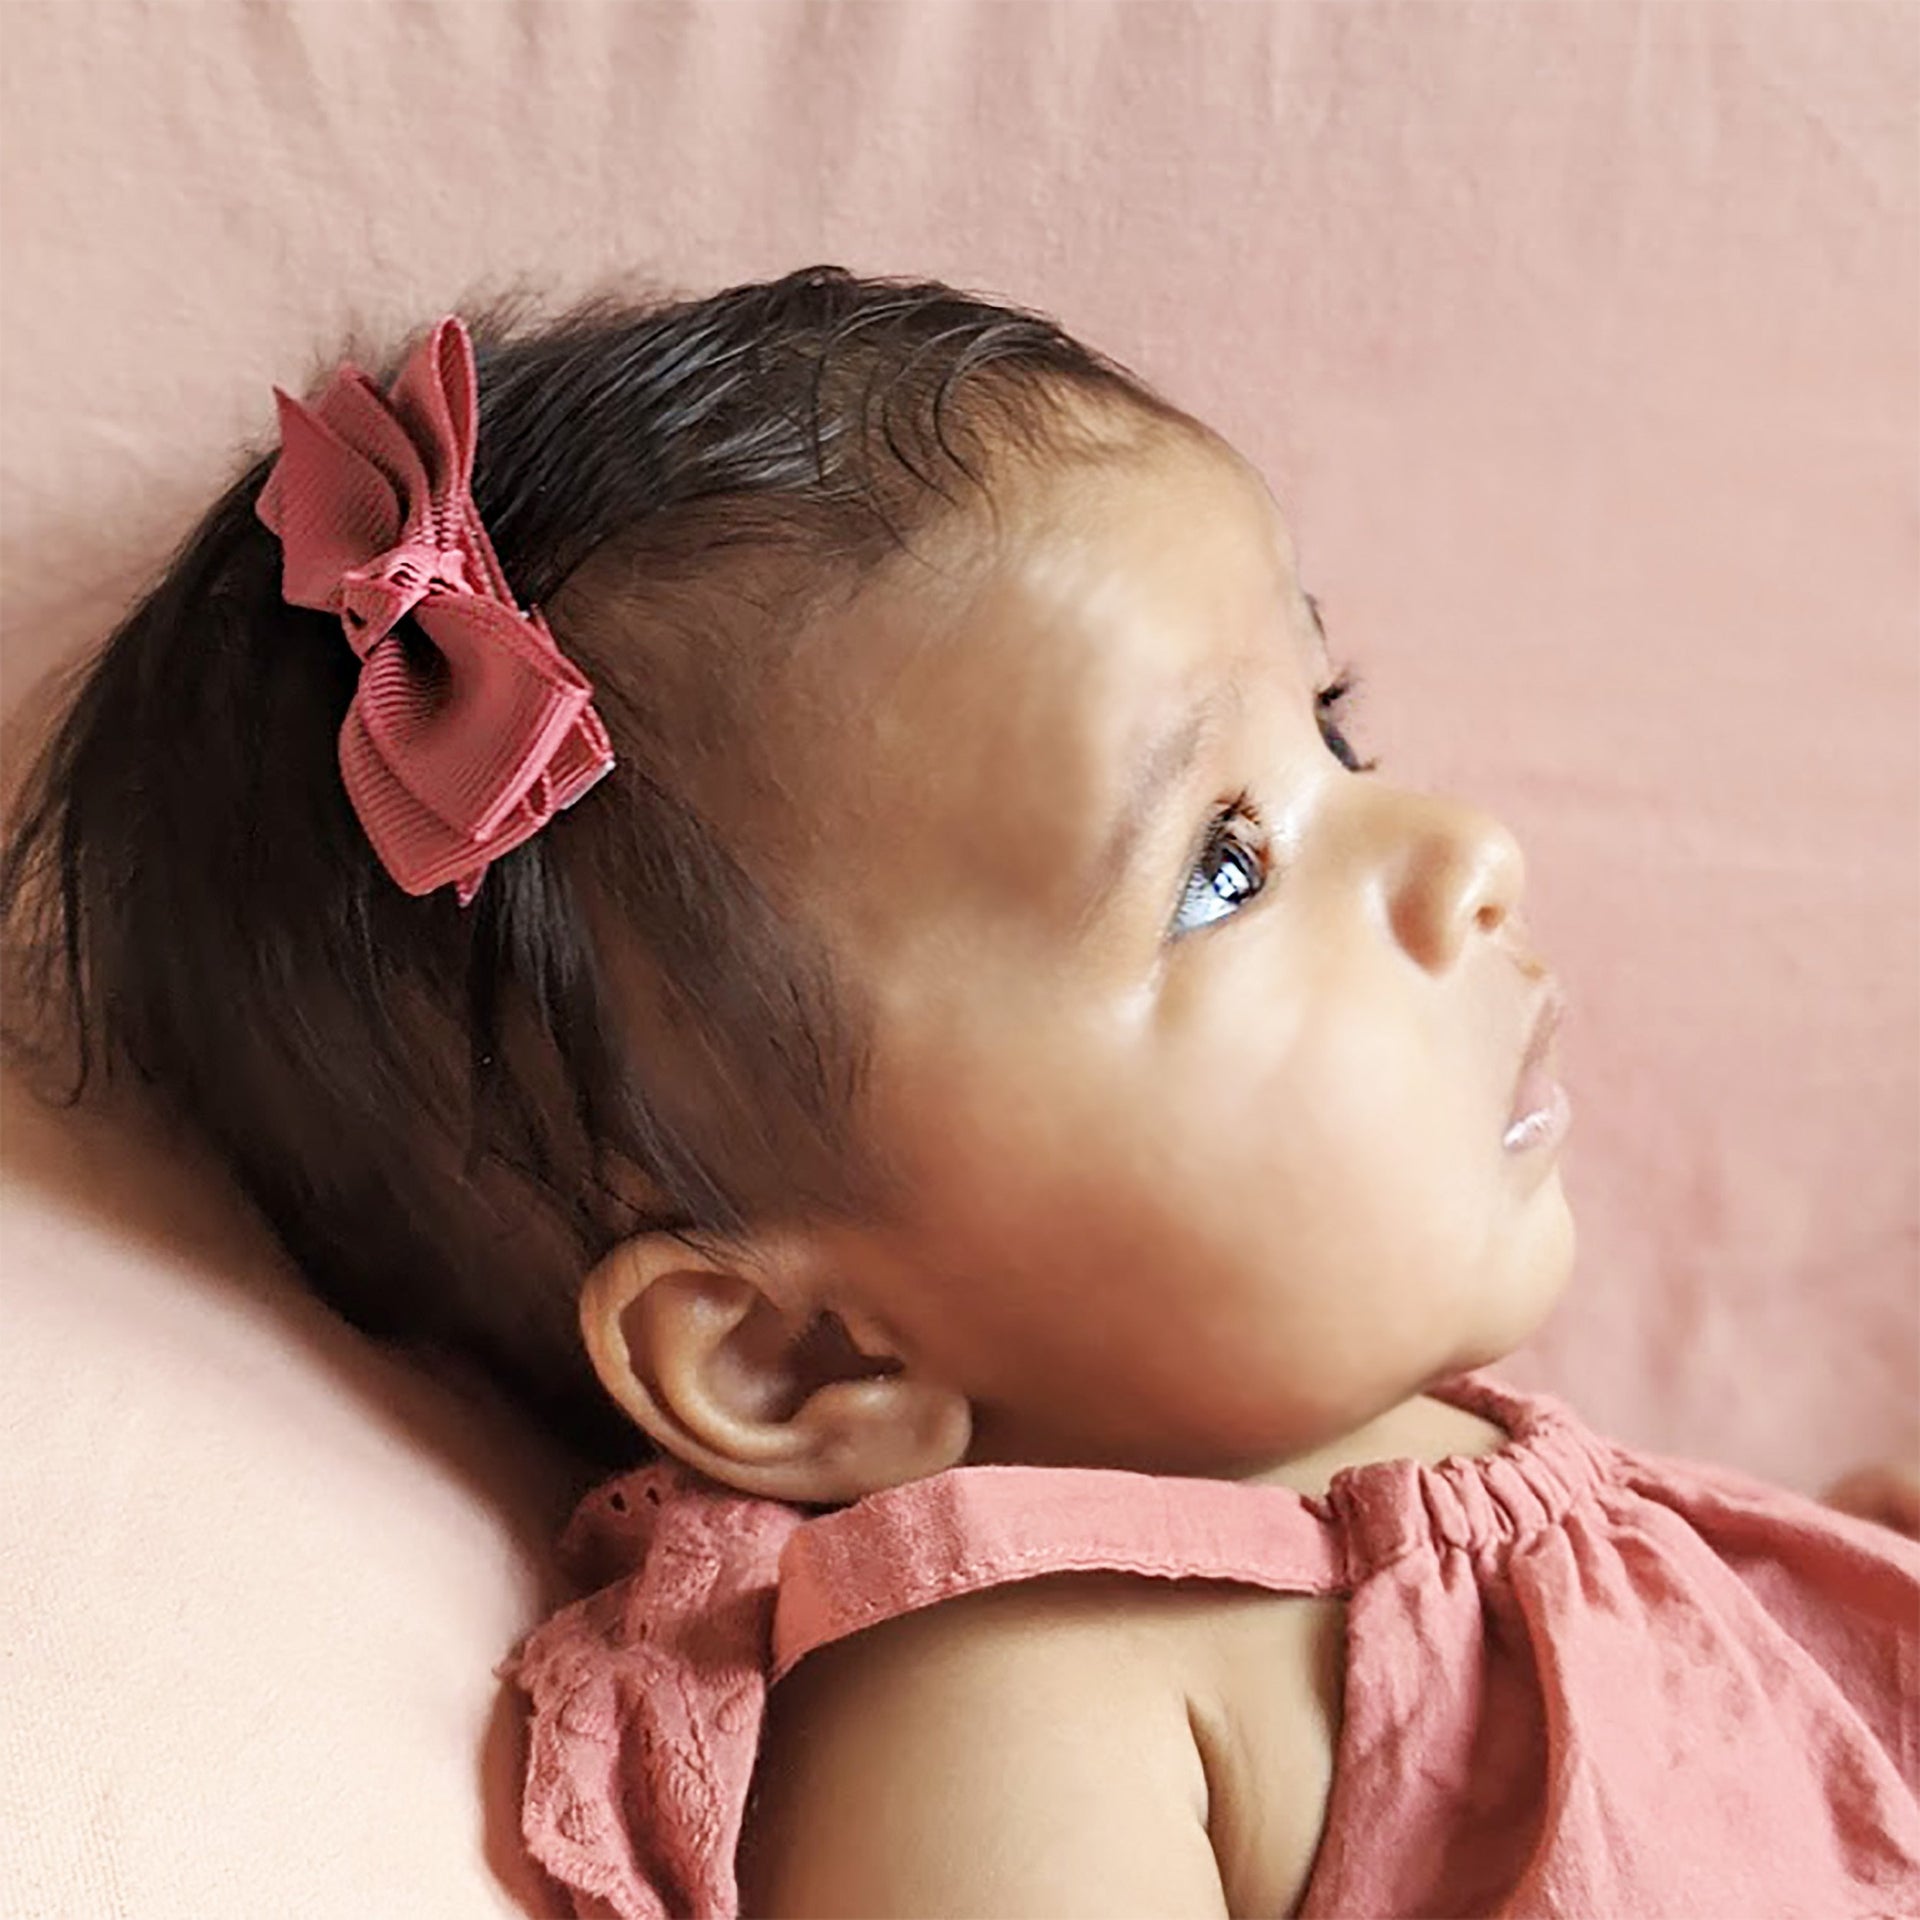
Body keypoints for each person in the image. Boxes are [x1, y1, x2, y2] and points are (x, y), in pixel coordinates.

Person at [3, 267, 1914, 1919]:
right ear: (799, 1363)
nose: (1464, 851)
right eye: (1222, 869)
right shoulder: (1019, 1704)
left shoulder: (1372, 1452)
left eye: (1330, 728)